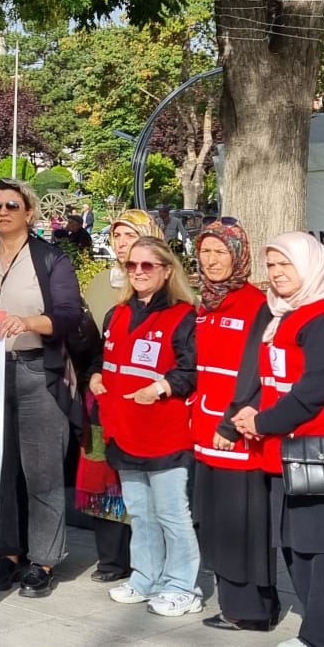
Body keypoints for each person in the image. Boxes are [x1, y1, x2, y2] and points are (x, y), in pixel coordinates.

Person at [226, 234, 324, 647]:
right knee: (299, 542)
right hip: (288, 447)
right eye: (271, 267)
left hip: (317, 449)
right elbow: (280, 383)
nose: (276, 274)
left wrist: (262, 421)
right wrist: (253, 412)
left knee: (319, 547)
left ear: (310, 267)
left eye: (285, 266)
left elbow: (314, 391)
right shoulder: (290, 313)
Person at [0, 177, 85, 598]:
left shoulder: (51, 260)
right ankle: (9, 554)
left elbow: (68, 316)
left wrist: (29, 322)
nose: (2, 212)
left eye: (11, 205)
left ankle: (44, 560)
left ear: (28, 212)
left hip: (36, 369)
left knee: (42, 471)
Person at [88, 237, 201, 616]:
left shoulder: (184, 315)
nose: (137, 272)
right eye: (132, 265)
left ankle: (183, 585)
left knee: (172, 512)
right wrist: (96, 376)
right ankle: (145, 577)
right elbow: (103, 359)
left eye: (147, 266)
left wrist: (162, 386)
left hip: (164, 432)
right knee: (139, 511)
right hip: (123, 427)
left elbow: (191, 370)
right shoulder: (117, 313)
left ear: (167, 270)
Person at [189, 219, 276, 630]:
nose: (212, 260)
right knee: (216, 520)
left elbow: (256, 371)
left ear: (237, 254)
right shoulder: (203, 302)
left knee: (241, 521)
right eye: (205, 251)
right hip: (202, 428)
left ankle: (251, 609)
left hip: (235, 431)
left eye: (220, 252)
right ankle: (232, 603)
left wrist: (230, 424)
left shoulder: (258, 303)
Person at [78, 209, 162, 583]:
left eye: (131, 235)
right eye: (117, 237)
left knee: (142, 483)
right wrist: (93, 372)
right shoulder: (100, 284)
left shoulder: (167, 288)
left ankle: (146, 559)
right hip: (103, 396)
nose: (123, 243)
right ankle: (111, 560)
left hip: (148, 400)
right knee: (103, 477)